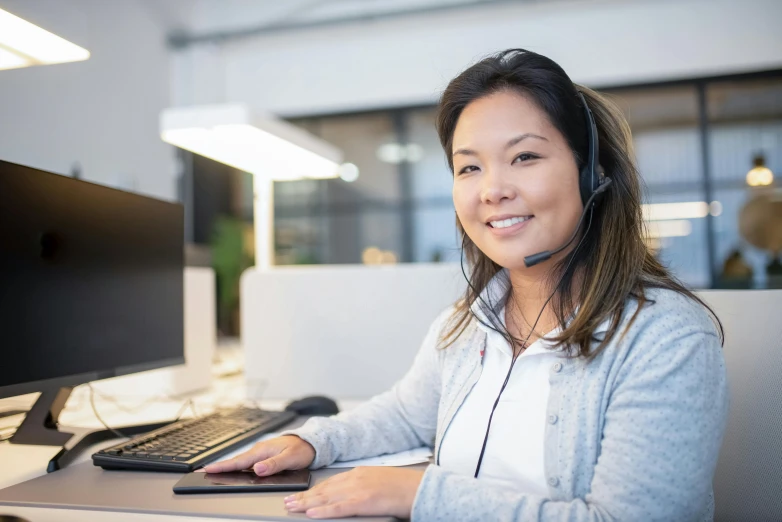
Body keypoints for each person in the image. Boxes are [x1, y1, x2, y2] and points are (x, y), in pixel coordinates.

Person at [205, 49, 728, 521]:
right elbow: (407, 415)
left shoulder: (665, 338)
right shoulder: (470, 320)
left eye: (525, 157)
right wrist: (311, 442)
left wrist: (417, 496)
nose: (493, 190)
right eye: (469, 167)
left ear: (592, 172)